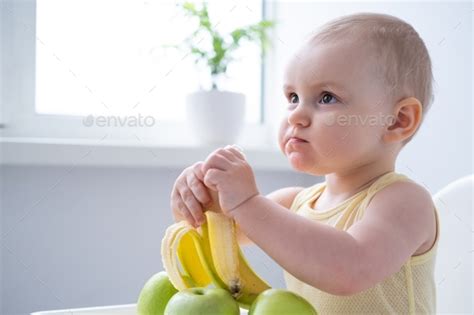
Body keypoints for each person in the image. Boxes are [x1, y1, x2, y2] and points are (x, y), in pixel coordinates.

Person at [170, 12, 438, 314]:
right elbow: (213, 234)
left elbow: (349, 270)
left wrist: (247, 203)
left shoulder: (404, 202)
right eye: (293, 96)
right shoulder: (292, 203)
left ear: (397, 121)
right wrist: (198, 200)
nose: (296, 115)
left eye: (326, 97)